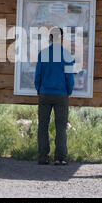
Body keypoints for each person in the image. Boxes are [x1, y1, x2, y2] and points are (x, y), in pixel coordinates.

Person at [34, 27, 74, 166]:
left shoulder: (43, 54)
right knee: (61, 127)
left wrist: (39, 89)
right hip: (61, 94)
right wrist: (69, 91)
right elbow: (69, 76)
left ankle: (43, 157)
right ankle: (60, 158)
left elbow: (38, 74)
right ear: (62, 38)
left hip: (45, 93)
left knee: (43, 126)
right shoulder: (67, 55)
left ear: (50, 38)